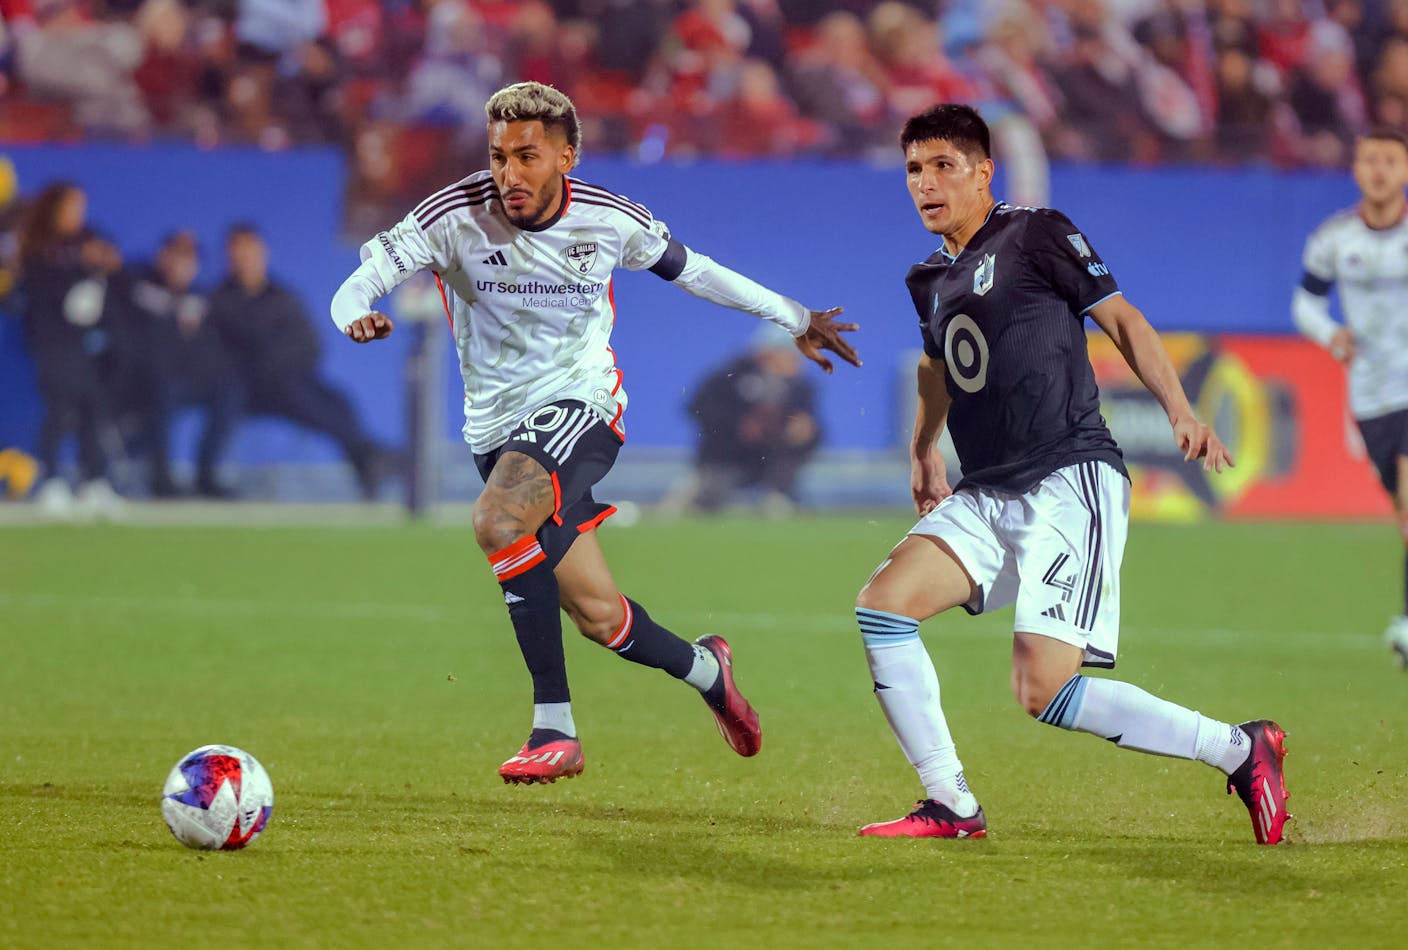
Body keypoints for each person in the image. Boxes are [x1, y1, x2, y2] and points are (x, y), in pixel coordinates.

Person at [330, 81, 860, 785]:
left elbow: (693, 271)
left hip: (581, 406)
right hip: (496, 429)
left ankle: (555, 727)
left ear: (566, 156)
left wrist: (794, 316)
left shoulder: (609, 219)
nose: (509, 175)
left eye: (527, 157)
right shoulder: (451, 215)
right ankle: (709, 672)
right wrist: (353, 316)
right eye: (497, 158)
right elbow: (357, 283)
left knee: (497, 520)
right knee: (598, 615)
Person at [852, 103, 1290, 844]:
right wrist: (925, 447)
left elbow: (1123, 321)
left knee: (1042, 690)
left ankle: (1240, 749)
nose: (925, 184)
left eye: (942, 167)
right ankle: (950, 804)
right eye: (914, 170)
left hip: (1067, 476)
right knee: (882, 608)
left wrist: (1180, 409)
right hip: (986, 487)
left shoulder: (1036, 232)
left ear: (983, 171)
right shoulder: (926, 278)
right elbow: (938, 368)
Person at [1293, 128, 1408, 672]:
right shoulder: (1333, 239)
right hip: (1371, 397)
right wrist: (1330, 335)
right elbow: (1305, 304)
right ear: (1355, 169)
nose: (1377, 169)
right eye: (1368, 158)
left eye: (1389, 160)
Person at [208, 223, 392, 500]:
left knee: (337, 400)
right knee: (297, 392)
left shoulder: (282, 298)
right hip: (246, 390)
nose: (244, 257)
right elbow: (225, 355)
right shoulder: (219, 301)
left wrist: (279, 363)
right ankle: (372, 456)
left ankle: (367, 461)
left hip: (289, 381)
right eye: (237, 251)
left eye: (249, 250)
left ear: (262, 253)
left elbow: (309, 345)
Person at [16, 181, 125, 519]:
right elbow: (36, 295)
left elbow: (111, 262)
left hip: (85, 344)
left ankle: (94, 481)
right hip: (52, 341)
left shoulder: (88, 238)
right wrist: (71, 288)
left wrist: (99, 264)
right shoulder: (39, 248)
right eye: (71, 207)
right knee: (59, 410)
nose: (77, 214)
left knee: (94, 408)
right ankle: (50, 480)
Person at [116, 230, 243, 497]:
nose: (183, 265)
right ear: (163, 257)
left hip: (189, 379)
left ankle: (206, 475)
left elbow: (211, 349)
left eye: (190, 259)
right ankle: (160, 478)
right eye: (177, 256)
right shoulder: (138, 288)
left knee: (230, 391)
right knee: (162, 392)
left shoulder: (201, 300)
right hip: (144, 380)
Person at [681, 324, 822, 515]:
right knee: (705, 502)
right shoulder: (729, 377)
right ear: (768, 353)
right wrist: (738, 425)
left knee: (800, 441)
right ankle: (698, 496)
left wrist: (804, 430)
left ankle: (778, 495)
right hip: (726, 458)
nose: (799, 362)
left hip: (769, 460)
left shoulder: (800, 387)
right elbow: (697, 408)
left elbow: (814, 429)